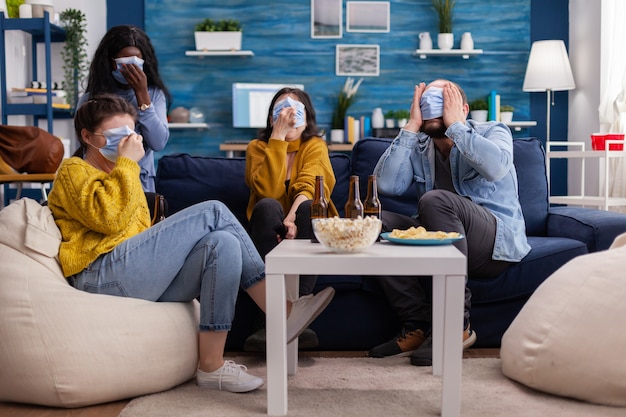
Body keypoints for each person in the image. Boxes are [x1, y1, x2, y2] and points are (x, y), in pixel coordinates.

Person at [47, 94, 335, 393]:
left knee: (223, 243)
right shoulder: (73, 171)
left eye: (130, 135)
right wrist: (127, 165)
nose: (125, 143)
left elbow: (135, 232)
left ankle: (212, 367)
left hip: (133, 274)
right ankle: (281, 311)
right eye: (117, 136)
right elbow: (109, 220)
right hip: (100, 276)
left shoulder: (123, 174)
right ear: (86, 136)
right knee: (214, 211)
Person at [368, 80, 531, 366]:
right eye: (427, 100)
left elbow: (496, 168)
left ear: (462, 108)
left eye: (443, 99)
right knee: (373, 221)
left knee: (434, 200)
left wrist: (456, 126)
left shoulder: (493, 131)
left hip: (493, 243)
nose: (433, 106)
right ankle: (416, 326)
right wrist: (411, 126)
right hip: (438, 239)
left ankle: (456, 325)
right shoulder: (419, 146)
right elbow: (387, 185)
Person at [243, 87, 338, 351]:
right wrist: (277, 138)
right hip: (268, 225)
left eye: (296, 111)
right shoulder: (257, 148)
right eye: (281, 112)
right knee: (266, 206)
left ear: (307, 119)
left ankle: (300, 313)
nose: (289, 117)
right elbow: (267, 190)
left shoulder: (315, 145)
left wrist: (292, 217)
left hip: (304, 220)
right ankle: (271, 316)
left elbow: (311, 187)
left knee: (310, 206)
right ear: (272, 118)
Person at [78, 25, 171, 192]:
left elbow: (158, 142)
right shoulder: (90, 99)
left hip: (140, 181)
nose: (132, 69)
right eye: (125, 63)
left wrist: (142, 94)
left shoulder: (154, 94)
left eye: (137, 62)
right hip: (99, 179)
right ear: (110, 63)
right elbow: (85, 142)